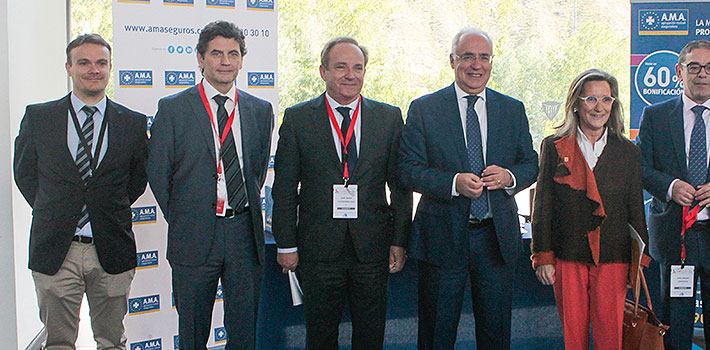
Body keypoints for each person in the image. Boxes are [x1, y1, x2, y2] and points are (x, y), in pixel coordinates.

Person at [398, 27, 538, 350]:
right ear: (452, 60)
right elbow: (407, 170)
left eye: (484, 57)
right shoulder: (425, 109)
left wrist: (509, 177)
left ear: (491, 62)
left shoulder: (512, 109)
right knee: (436, 335)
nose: (477, 65)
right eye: (468, 57)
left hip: (495, 239)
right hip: (442, 237)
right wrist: (453, 184)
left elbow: (531, 164)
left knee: (496, 335)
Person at [272, 36, 413, 349]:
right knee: (320, 337)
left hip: (373, 249)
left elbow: (400, 188)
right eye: (341, 67)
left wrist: (399, 240)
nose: (351, 75)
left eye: (358, 67)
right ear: (323, 71)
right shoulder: (298, 119)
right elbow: (284, 188)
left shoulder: (388, 118)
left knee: (371, 335)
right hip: (318, 249)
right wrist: (286, 243)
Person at [13, 33, 147, 350]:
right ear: (69, 67)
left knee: (112, 341)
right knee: (58, 341)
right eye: (83, 62)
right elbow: (25, 175)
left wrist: (103, 209)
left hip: (111, 247)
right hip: (56, 247)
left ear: (110, 67)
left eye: (101, 63)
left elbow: (136, 182)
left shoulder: (133, 123)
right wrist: (58, 208)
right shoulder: (39, 117)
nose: (93, 70)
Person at [146, 20, 274, 350]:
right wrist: (187, 214)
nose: (225, 61)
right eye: (216, 53)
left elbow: (256, 172)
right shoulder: (173, 109)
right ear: (200, 58)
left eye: (233, 53)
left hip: (243, 232)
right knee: (192, 332)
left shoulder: (260, 110)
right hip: (194, 234)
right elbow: (159, 174)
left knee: (244, 331)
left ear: (242, 60)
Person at [637, 40, 710, 350]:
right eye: (694, 67)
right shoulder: (656, 116)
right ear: (679, 72)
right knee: (674, 324)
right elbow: (640, 168)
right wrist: (671, 187)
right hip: (675, 238)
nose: (702, 74)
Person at [530, 69, 649, 350]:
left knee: (610, 337)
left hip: (614, 258)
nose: (599, 107)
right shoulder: (554, 146)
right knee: (574, 336)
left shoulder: (628, 151)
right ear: (576, 103)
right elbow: (542, 206)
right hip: (567, 256)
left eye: (606, 100)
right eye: (591, 99)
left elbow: (635, 209)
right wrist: (542, 256)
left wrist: (638, 265)